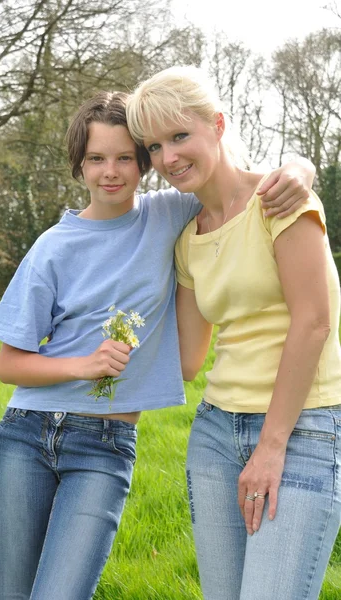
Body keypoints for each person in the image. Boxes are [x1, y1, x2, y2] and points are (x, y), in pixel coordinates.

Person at [0, 89, 315, 600]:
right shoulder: (52, 247)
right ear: (80, 164)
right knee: (7, 591)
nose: (109, 172)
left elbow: (238, 179)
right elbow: (9, 364)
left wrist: (300, 165)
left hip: (105, 447)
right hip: (26, 435)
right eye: (96, 158)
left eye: (124, 158)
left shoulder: (169, 213)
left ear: (144, 164)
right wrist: (83, 364)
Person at [126, 66, 341, 600]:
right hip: (216, 435)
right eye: (154, 146)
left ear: (217, 125)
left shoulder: (282, 201)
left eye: (180, 136)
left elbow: (314, 322)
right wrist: (93, 350)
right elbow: (188, 361)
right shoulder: (188, 240)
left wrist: (271, 446)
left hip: (304, 431)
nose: (168, 157)